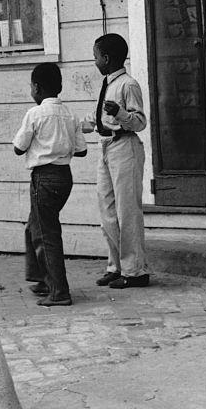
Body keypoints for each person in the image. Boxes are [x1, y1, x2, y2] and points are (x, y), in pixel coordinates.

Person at [13, 61, 87, 307]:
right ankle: (43, 279)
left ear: (37, 88)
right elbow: (82, 150)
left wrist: (44, 146)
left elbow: (18, 147)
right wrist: (58, 146)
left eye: (31, 87)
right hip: (64, 177)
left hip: (43, 178)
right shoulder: (70, 114)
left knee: (46, 234)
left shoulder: (34, 114)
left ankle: (59, 291)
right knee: (35, 226)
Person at [82, 33, 149, 289]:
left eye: (96, 57)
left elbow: (140, 122)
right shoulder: (108, 84)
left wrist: (120, 113)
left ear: (107, 58)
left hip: (125, 147)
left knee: (127, 210)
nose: (95, 61)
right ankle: (116, 266)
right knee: (107, 210)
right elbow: (99, 119)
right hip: (107, 146)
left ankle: (135, 271)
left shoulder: (128, 84)